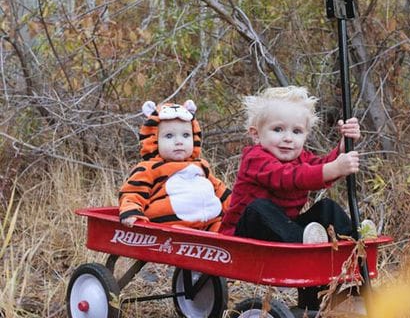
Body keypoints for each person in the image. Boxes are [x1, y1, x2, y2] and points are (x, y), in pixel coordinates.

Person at [219, 86, 376, 244]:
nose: (288, 138)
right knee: (258, 208)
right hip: (241, 240)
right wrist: (335, 168)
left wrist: (342, 148)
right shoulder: (255, 158)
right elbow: (288, 177)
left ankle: (354, 241)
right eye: (278, 129)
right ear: (256, 134)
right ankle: (303, 243)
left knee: (327, 207)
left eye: (296, 131)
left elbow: (320, 165)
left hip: (283, 234)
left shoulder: (301, 157)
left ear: (305, 135)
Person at [119, 99, 231, 231]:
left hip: (210, 224)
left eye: (185, 135)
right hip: (170, 228)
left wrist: (237, 205)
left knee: (229, 230)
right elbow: (133, 192)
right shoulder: (149, 168)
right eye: (169, 136)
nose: (179, 141)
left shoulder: (201, 166)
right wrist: (131, 211)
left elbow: (220, 190)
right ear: (154, 140)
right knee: (175, 234)